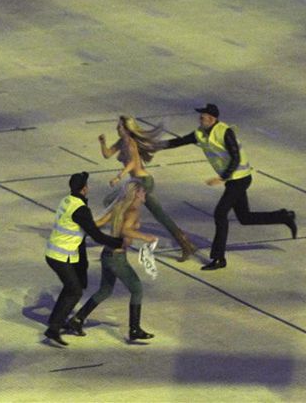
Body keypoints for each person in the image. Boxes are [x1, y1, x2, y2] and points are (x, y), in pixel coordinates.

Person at [160, 103, 297, 271]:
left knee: (220, 214)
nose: (199, 119)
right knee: (245, 218)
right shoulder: (200, 134)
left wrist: (222, 177)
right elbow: (178, 142)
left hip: (241, 178)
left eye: (202, 117)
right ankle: (283, 216)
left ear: (212, 119)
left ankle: (219, 258)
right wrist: (151, 145)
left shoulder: (225, 132)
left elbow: (236, 157)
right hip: (232, 180)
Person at [44, 172, 128, 346]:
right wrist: (117, 242)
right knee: (74, 291)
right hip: (60, 256)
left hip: (58, 252)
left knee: (72, 286)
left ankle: (55, 320)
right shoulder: (80, 209)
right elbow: (95, 235)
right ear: (84, 188)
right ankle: (53, 329)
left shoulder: (67, 200)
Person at [66, 181, 157, 342]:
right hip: (117, 258)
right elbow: (125, 230)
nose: (145, 195)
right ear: (136, 193)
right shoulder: (133, 210)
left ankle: (77, 319)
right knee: (137, 289)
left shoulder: (119, 206)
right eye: (143, 191)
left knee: (105, 290)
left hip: (107, 254)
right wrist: (146, 237)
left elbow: (99, 223)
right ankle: (134, 329)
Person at [99, 116, 197, 262]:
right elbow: (107, 154)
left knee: (115, 204)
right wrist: (103, 143)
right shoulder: (122, 142)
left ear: (126, 129)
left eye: (119, 127)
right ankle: (185, 244)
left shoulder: (130, 143)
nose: (117, 129)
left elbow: (133, 162)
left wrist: (119, 176)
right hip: (137, 181)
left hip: (143, 182)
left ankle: (120, 236)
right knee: (159, 214)